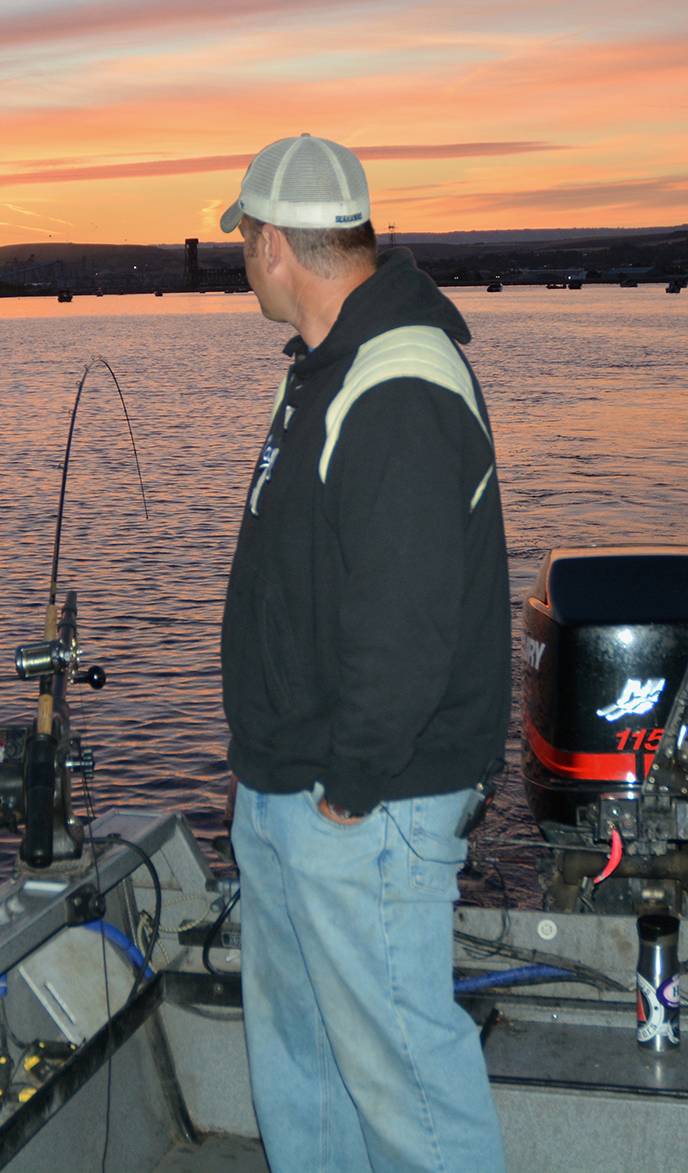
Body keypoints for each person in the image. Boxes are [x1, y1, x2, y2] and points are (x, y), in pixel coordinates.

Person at [217, 135, 509, 1172]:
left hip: (364, 801)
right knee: (304, 1060)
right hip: (292, 784)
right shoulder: (328, 367)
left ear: (271, 246)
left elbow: (408, 625)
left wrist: (345, 790)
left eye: (243, 241)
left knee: (402, 1075)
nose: (241, 261)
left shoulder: (395, 384)